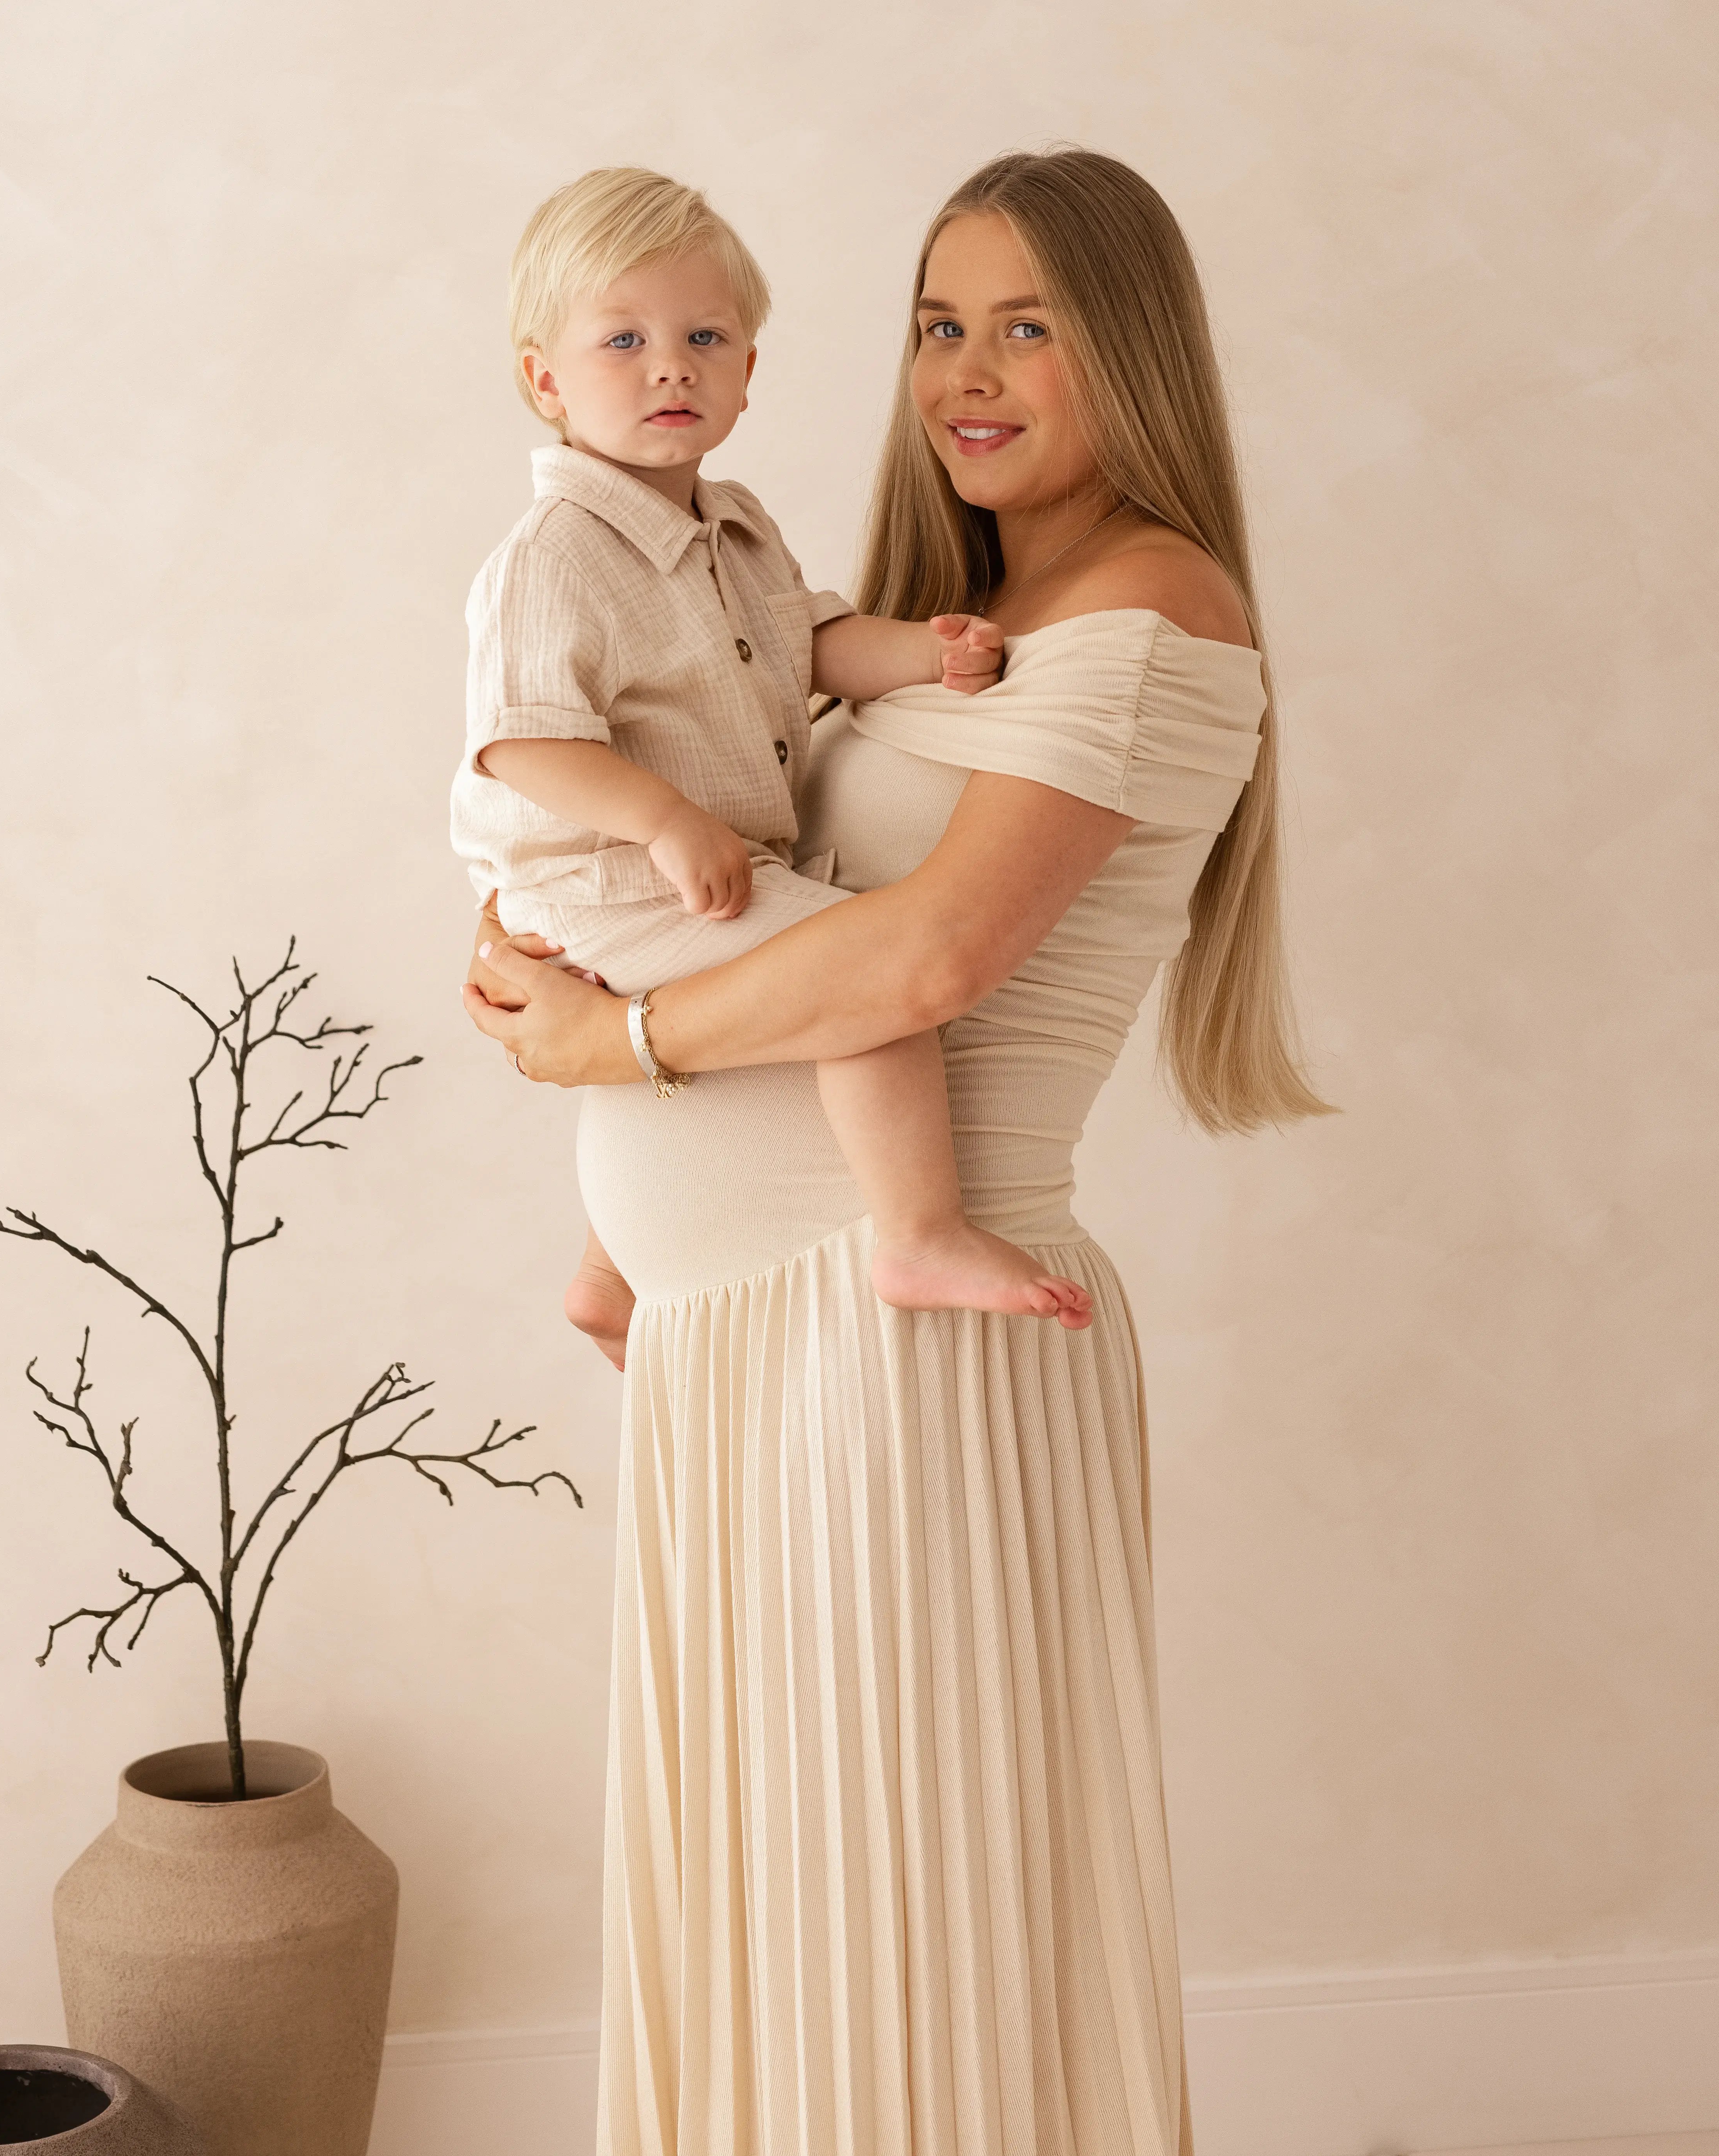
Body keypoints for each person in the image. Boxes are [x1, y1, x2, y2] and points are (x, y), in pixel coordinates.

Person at [466, 148, 1329, 2156]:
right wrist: (549, 935)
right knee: (796, 1894)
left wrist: (627, 1035)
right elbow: (728, 846)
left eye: (1031, 323)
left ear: (1135, 351)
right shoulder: (936, 620)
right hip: (751, 1338)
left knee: (906, 1897)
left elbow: (928, 950)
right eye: (941, 322)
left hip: (900, 1344)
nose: (971, 371)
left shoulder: (1156, 615)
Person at [451, 166, 1096, 1332]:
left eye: (707, 335)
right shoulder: (555, 554)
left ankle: (609, 1278)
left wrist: (920, 652)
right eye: (624, 340)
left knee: (787, 975)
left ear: (749, 371)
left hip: (688, 865)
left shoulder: (736, 526)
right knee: (861, 982)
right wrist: (663, 818)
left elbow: (805, 645)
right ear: (545, 378)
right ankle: (919, 1233)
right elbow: (523, 745)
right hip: (604, 879)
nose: (671, 365)